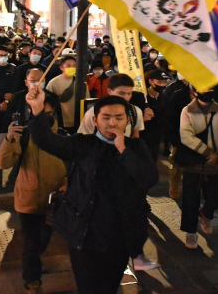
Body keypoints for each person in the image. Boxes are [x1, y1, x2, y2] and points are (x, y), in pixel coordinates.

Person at [25, 90, 158, 293]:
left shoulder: (136, 147)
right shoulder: (83, 144)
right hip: (85, 233)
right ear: (95, 120)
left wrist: (123, 150)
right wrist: (37, 109)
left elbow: (149, 178)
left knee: (110, 285)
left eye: (118, 117)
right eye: (106, 117)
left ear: (128, 120)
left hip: (120, 235)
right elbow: (47, 141)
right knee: (89, 287)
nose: (112, 123)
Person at [0, 97, 68, 294]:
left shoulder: (63, 136)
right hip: (29, 199)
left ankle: (33, 264)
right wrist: (10, 139)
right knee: (31, 242)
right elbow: (3, 163)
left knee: (43, 239)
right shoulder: (25, 135)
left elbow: (74, 166)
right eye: (36, 111)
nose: (43, 116)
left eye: (46, 111)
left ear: (54, 112)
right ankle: (32, 281)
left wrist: (66, 185)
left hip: (56, 201)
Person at [176, 86, 218, 249]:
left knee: (215, 196)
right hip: (193, 162)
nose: (207, 92)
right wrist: (208, 152)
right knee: (190, 198)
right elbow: (185, 135)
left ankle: (206, 214)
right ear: (194, 92)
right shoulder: (187, 110)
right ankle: (190, 233)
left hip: (215, 162)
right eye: (203, 89)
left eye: (210, 89)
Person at [78, 74, 145, 138]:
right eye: (121, 93)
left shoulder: (135, 112)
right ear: (109, 91)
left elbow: (135, 137)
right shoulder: (94, 112)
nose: (126, 97)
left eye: (129, 93)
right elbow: (84, 138)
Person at [46, 55, 88, 134]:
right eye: (68, 65)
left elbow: (86, 101)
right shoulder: (53, 83)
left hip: (79, 121)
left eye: (74, 66)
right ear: (61, 67)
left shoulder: (81, 83)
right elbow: (48, 103)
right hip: (60, 121)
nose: (72, 68)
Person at [140, 69, 170, 159]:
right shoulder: (142, 97)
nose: (162, 85)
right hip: (142, 137)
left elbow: (166, 118)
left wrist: (155, 115)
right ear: (150, 81)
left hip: (156, 138)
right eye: (159, 82)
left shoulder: (165, 98)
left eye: (164, 82)